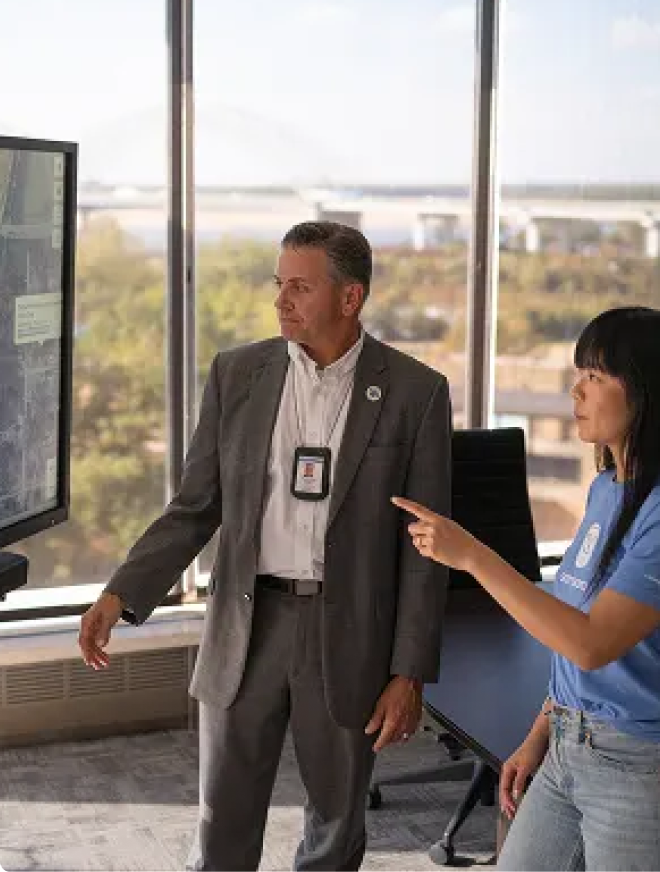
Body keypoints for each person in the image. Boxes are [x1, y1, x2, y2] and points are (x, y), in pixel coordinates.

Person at [78, 220, 452, 872]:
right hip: (247, 624)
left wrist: (409, 670)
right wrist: (120, 593)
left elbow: (425, 549)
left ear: (349, 296)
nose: (281, 300)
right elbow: (195, 506)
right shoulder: (237, 374)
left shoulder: (416, 393)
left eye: (300, 287)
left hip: (348, 632)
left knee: (336, 826)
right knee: (223, 816)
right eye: (279, 284)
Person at [393, 306, 660, 872]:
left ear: (649, 393)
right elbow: (571, 634)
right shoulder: (606, 489)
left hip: (632, 763)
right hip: (567, 745)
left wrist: (471, 555)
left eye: (596, 377)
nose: (577, 391)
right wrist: (540, 733)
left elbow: (591, 643)